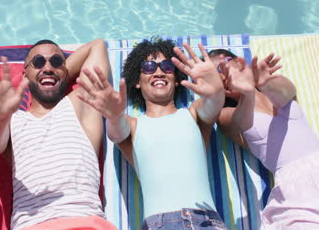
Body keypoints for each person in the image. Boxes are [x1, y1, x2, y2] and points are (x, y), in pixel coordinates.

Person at [76, 38, 229, 230]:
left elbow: (214, 102)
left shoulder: (194, 114)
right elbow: (116, 133)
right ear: (137, 81)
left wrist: (216, 88)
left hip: (207, 221)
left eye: (166, 66)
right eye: (148, 67)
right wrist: (113, 115)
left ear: (176, 77)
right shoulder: (132, 125)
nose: (158, 72)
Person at [0, 39, 118, 230]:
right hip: (33, 225)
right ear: (24, 74)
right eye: (38, 62)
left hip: (84, 221)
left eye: (57, 61)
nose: (48, 67)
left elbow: (97, 46)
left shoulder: (81, 104)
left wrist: (56, 72)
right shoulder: (10, 119)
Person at [209, 49, 319, 230]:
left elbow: (288, 91)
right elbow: (241, 121)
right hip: (293, 193)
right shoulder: (225, 117)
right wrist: (247, 94)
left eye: (223, 67)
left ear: (238, 62)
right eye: (214, 76)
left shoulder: (275, 87)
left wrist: (264, 83)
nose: (222, 76)